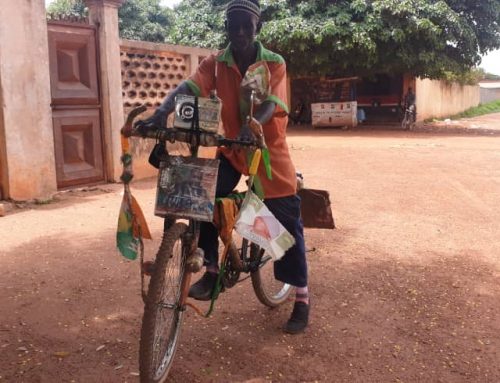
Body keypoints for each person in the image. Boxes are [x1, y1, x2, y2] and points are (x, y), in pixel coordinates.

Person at [144, 0, 310, 334]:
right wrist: (161, 113)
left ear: (257, 27)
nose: (239, 32)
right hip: (234, 149)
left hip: (266, 149)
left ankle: (302, 297)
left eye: (246, 25)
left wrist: (253, 126)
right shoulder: (216, 63)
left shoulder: (272, 63)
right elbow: (188, 87)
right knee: (201, 197)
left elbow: (273, 104)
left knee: (286, 219)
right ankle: (210, 270)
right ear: (227, 28)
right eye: (233, 25)